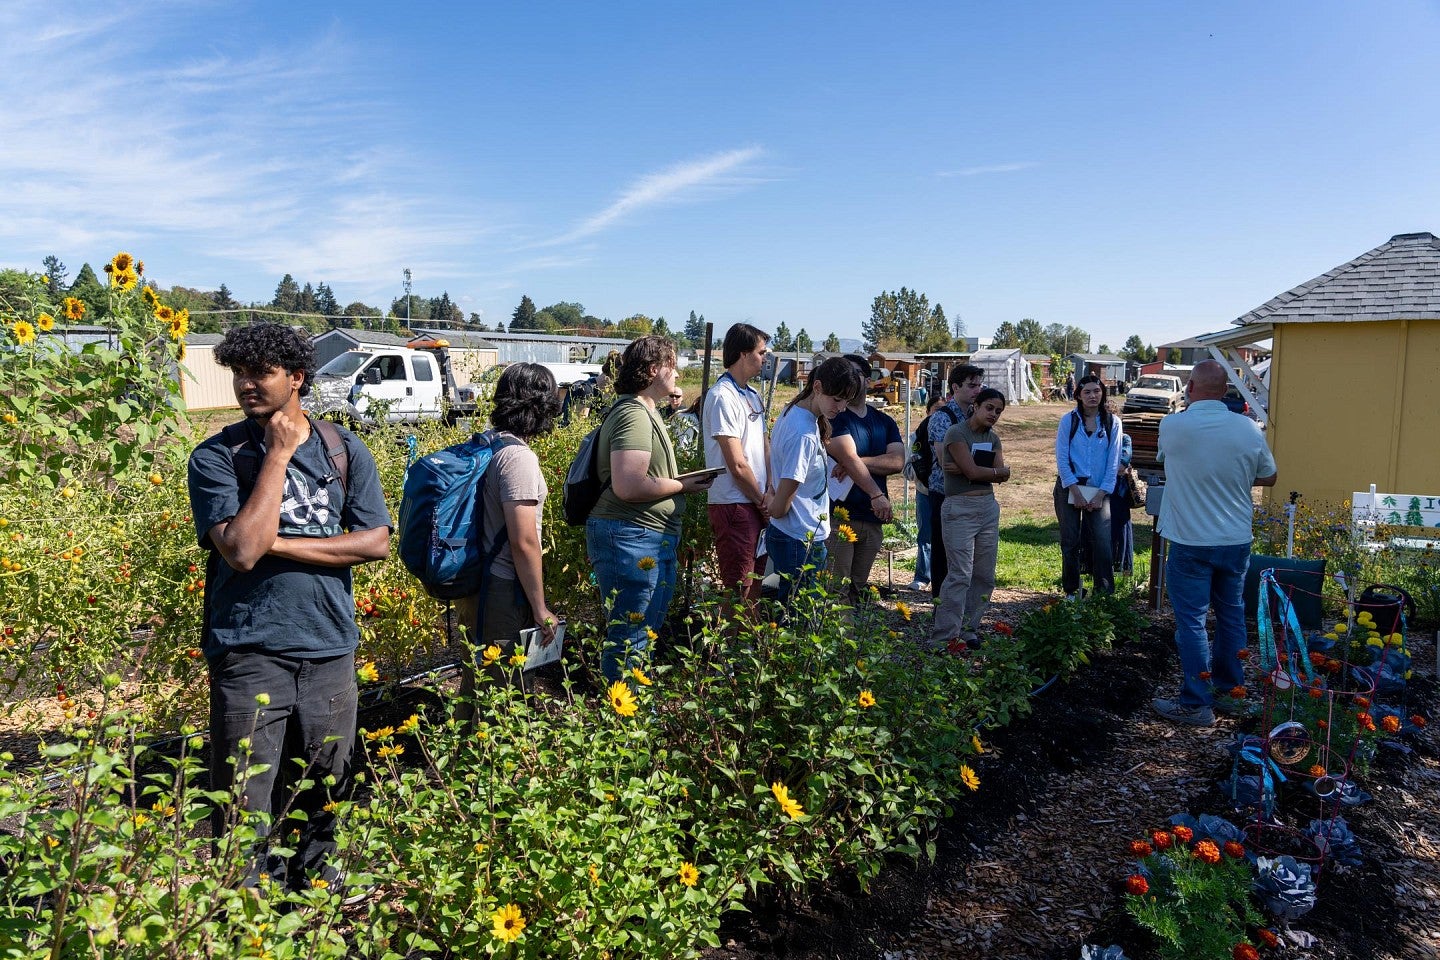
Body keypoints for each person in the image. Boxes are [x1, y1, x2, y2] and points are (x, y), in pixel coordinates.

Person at [187, 322, 391, 892]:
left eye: (261, 373)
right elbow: (243, 552)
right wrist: (278, 455)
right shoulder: (217, 456)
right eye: (239, 374)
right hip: (250, 653)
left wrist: (278, 542)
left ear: (297, 378)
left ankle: (314, 909)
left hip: (329, 647)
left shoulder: (343, 449)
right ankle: (244, 918)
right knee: (240, 803)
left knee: (327, 792)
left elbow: (374, 540)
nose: (246, 385)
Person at [1152, 359, 1277, 727]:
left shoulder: (1172, 425)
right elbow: (1269, 477)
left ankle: (1196, 703)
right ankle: (1230, 694)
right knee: (1231, 615)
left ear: (1189, 388)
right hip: (1235, 539)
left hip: (1189, 540)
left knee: (1191, 622)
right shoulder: (1249, 429)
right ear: (1226, 392)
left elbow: (1165, 460)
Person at [587, 336, 715, 682]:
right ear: (653, 370)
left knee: (642, 632)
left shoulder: (645, 410)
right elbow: (628, 486)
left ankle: (633, 713)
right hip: (630, 535)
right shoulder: (633, 415)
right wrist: (683, 485)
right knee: (631, 635)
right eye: (671, 365)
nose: (677, 373)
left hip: (644, 535)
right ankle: (625, 720)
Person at [454, 363, 562, 700]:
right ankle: (490, 752)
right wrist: (540, 607)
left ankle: (466, 749)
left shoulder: (489, 443)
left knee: (478, 682)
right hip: (501, 588)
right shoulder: (518, 458)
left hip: (478, 582)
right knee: (502, 691)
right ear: (541, 406)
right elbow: (524, 540)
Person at [766, 358, 864, 606]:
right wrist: (770, 502)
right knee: (797, 618)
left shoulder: (797, 413)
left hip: (798, 535)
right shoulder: (804, 434)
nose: (841, 408)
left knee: (793, 611)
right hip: (799, 538)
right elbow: (781, 506)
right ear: (818, 387)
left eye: (847, 401)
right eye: (837, 399)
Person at [931, 388, 1011, 647]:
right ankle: (945, 638)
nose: (994, 414)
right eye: (989, 408)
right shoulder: (957, 432)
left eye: (998, 411)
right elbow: (975, 472)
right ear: (975, 406)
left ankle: (968, 630)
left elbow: (1001, 474)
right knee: (960, 574)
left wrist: (987, 471)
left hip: (987, 507)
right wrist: (990, 471)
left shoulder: (994, 438)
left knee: (984, 575)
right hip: (960, 509)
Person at [703, 323, 771, 610]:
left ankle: (750, 647)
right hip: (735, 502)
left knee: (756, 581)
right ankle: (732, 651)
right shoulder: (722, 397)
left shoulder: (751, 395)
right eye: (761, 352)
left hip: (756, 500)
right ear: (743, 354)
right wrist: (761, 500)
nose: (765, 358)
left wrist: (770, 490)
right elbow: (736, 463)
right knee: (739, 587)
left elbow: (764, 446)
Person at [825, 354, 901, 603]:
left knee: (857, 588)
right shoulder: (835, 417)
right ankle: (838, 640)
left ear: (867, 381)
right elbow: (842, 452)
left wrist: (853, 464)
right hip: (838, 516)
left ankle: (852, 639)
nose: (849, 378)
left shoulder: (884, 421)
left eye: (855, 372)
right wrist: (851, 461)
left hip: (872, 517)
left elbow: (897, 462)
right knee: (836, 590)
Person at [1054, 375, 1124, 598]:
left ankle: (1104, 592)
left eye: (1097, 391)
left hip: (1099, 490)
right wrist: (1074, 490)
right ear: (1078, 396)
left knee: (1102, 541)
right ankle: (1072, 591)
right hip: (1070, 487)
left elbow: (1114, 461)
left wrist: (1101, 494)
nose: (1093, 396)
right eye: (1087, 392)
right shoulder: (1069, 420)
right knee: (1070, 541)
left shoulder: (1113, 423)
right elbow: (1062, 458)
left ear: (1103, 393)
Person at [926, 364, 985, 600]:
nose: (977, 390)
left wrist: (978, 469)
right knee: (942, 552)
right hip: (945, 494)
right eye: (972, 385)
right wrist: (983, 470)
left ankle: (963, 605)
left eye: (979, 385)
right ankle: (941, 605)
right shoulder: (942, 417)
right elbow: (945, 461)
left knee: (969, 553)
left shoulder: (977, 417)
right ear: (955, 387)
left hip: (972, 493)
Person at [907, 396, 946, 592]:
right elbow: (906, 469)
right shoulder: (917, 436)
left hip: (947, 493)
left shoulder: (951, 433)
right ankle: (922, 576)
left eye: (943, 409)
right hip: (924, 492)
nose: (939, 413)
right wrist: (919, 470)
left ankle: (944, 579)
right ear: (927, 411)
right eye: (936, 409)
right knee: (925, 535)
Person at [1110, 433, 1136, 577]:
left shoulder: (1124, 438)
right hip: (1099, 493)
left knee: (1119, 530)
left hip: (1118, 494)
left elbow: (1122, 463)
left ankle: (1121, 569)